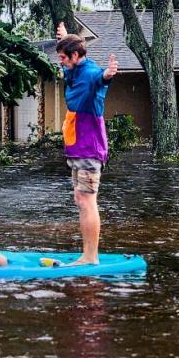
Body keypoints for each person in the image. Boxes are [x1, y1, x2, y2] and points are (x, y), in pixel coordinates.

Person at [55, 21, 118, 265]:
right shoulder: (73, 69)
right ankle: (87, 253)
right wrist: (63, 36)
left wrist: (108, 74)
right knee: (80, 198)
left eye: (63, 57)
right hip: (77, 146)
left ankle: (90, 257)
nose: (60, 61)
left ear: (75, 56)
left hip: (90, 147)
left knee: (86, 199)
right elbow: (67, 71)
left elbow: (100, 78)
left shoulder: (91, 73)